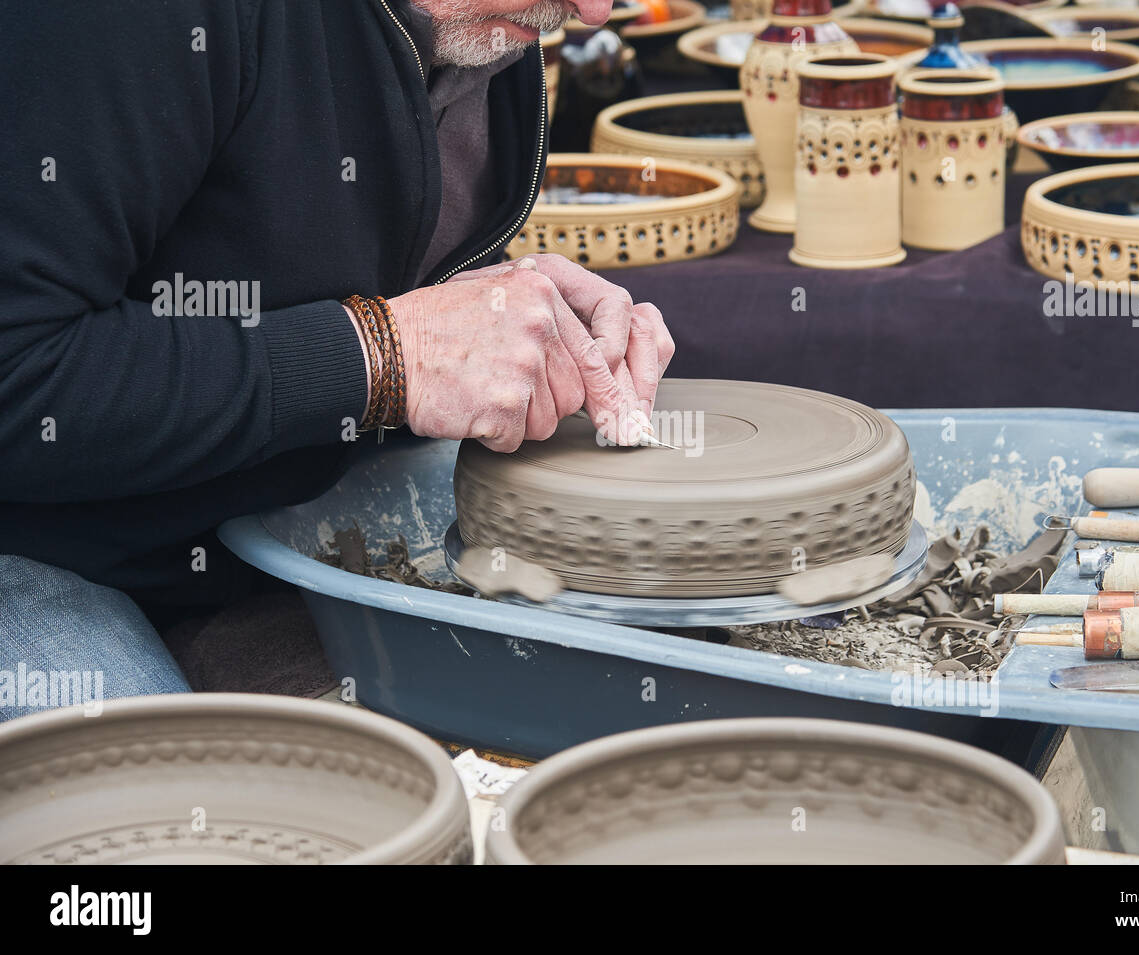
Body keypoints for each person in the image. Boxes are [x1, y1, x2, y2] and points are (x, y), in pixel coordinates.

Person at [0, 0, 674, 720]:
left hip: (248, 517)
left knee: (610, 698)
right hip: (39, 544)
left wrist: (504, 316)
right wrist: (384, 354)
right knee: (177, 820)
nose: (596, 11)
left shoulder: (488, 33)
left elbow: (289, 254)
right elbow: (19, 372)